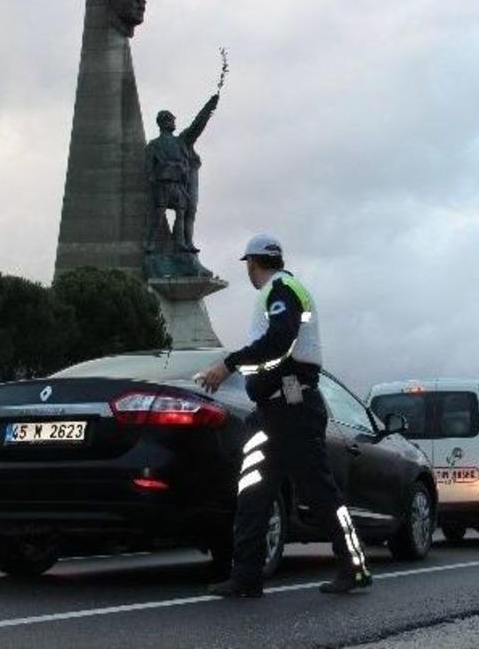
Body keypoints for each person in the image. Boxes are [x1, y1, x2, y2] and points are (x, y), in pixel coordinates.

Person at [200, 234, 371, 597]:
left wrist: (228, 364)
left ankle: (354, 567)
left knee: (320, 491)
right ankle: (246, 576)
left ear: (251, 264)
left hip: (293, 407)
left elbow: (280, 340)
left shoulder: (283, 290)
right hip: (271, 410)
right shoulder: (279, 291)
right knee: (253, 491)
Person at [143, 93, 219, 254]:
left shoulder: (181, 140)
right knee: (158, 214)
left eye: (172, 119)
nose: (173, 122)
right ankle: (150, 243)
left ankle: (181, 244)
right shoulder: (154, 145)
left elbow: (196, 126)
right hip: (163, 182)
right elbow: (148, 168)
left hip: (178, 183)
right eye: (170, 119)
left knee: (181, 213)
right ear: (163, 122)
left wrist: (209, 107)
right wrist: (153, 181)